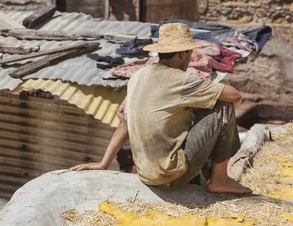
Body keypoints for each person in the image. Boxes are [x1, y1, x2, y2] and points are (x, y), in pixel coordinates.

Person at [71, 23, 252, 194]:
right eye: (190, 53)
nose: (190, 59)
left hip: (146, 174)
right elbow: (234, 96)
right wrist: (203, 86)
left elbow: (125, 123)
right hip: (170, 175)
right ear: (182, 53)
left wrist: (104, 163)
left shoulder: (137, 77)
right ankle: (220, 180)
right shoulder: (182, 80)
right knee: (222, 106)